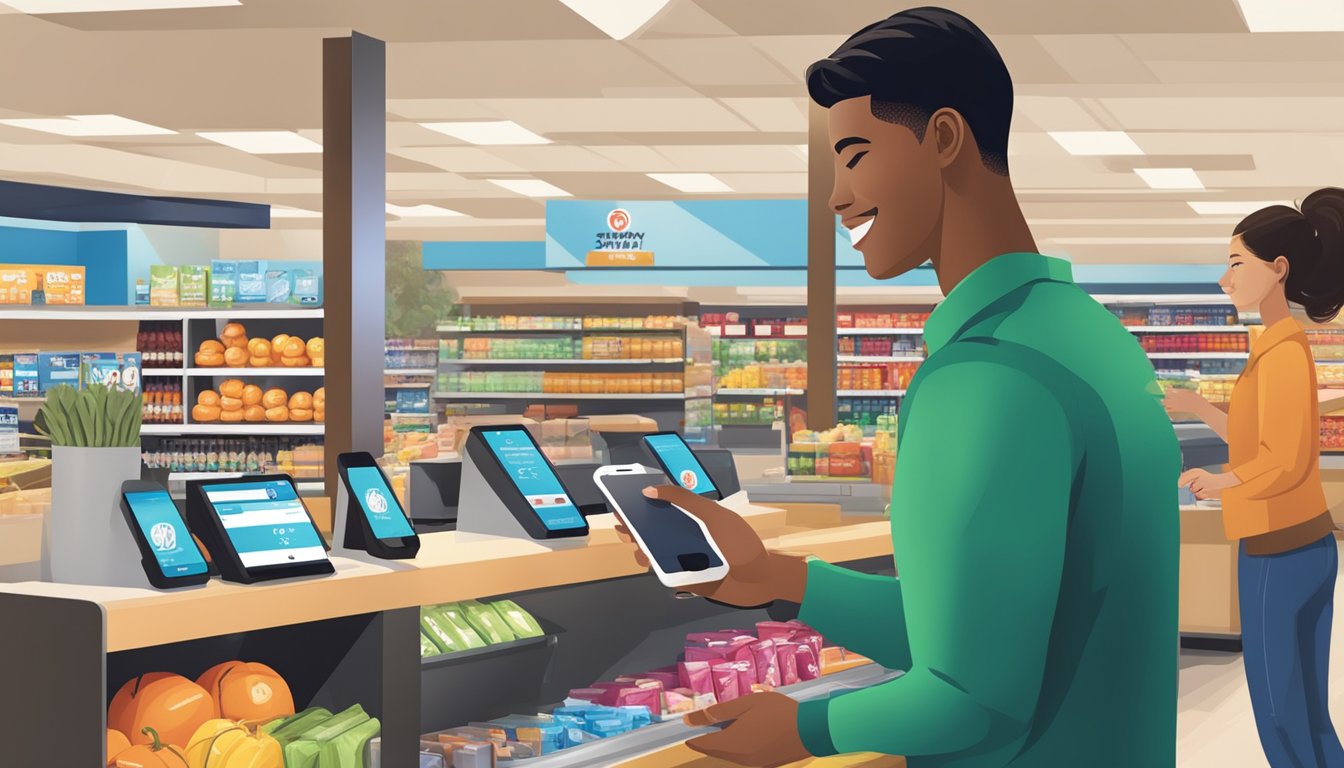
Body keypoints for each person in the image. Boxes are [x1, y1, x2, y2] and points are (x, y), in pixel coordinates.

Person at [616, 7, 1180, 767]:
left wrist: (802, 731)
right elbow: (987, 630)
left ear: (943, 139)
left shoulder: (988, 374)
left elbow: (968, 698)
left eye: (856, 155)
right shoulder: (1088, 334)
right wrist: (775, 578)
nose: (838, 197)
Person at [1168, 188, 1344, 768]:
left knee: (1279, 713)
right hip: (1303, 544)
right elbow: (1256, 439)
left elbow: (1283, 460)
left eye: (1236, 262)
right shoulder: (1276, 347)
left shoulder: (1285, 353)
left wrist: (1217, 482)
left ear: (1279, 269)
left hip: (1277, 550)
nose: (1225, 278)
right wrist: (1194, 404)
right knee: (1307, 712)